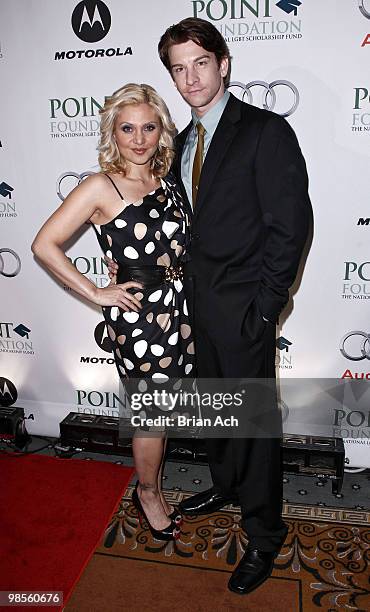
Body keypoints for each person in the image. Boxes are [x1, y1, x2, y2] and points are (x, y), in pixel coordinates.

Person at [156, 17, 312, 594]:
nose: (190, 76)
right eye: (179, 67)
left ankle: (264, 535)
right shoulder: (179, 142)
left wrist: (266, 308)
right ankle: (224, 484)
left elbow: (290, 226)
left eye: (200, 62)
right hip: (192, 308)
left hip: (245, 309)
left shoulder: (265, 132)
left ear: (224, 64)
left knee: (253, 427)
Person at [31, 83, 196, 542]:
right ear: (113, 133)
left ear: (162, 130)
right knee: (152, 417)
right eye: (128, 128)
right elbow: (44, 245)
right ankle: (147, 494)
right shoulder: (99, 186)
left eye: (148, 127)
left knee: (162, 414)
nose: (139, 139)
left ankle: (155, 489)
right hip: (141, 317)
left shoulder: (166, 179)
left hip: (179, 311)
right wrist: (95, 292)